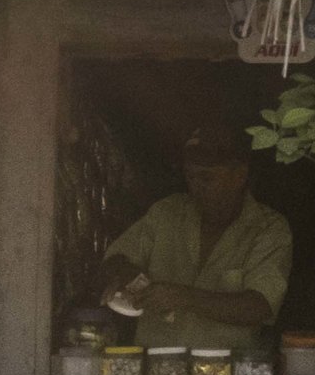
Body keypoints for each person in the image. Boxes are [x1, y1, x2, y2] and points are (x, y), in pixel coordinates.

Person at [98, 123, 292, 352]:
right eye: (190, 176)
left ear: (239, 175)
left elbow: (259, 307)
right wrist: (126, 276)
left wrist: (184, 297)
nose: (196, 186)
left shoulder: (268, 229)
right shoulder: (166, 213)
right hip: (156, 371)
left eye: (207, 178)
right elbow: (116, 258)